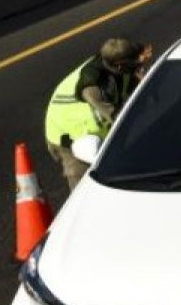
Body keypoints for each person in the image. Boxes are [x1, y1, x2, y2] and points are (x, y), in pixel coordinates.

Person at [44, 37, 152, 190]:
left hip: (96, 132)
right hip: (68, 136)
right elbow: (118, 117)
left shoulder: (112, 62)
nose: (138, 65)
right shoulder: (94, 89)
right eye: (133, 63)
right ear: (121, 66)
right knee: (82, 183)